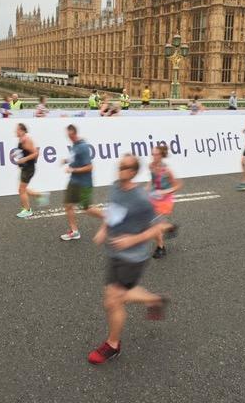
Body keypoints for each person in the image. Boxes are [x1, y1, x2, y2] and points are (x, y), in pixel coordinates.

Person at [85, 154, 175, 365]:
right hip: (114, 251)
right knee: (117, 296)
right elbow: (114, 213)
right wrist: (103, 228)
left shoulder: (141, 199)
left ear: (133, 172)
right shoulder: (116, 187)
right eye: (119, 166)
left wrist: (132, 239)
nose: (120, 170)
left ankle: (113, 345)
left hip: (133, 257)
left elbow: (159, 226)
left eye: (125, 168)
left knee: (112, 299)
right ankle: (155, 300)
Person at [147, 145, 181, 258]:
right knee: (155, 223)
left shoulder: (167, 171)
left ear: (161, 155)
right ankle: (170, 227)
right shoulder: (151, 166)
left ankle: (160, 248)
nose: (154, 156)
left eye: (156, 154)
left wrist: (165, 192)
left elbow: (177, 185)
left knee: (155, 224)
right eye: (153, 154)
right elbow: (152, 181)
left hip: (165, 200)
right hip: (153, 196)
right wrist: (146, 190)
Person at [61, 124, 93, 241]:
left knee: (86, 208)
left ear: (74, 133)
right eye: (68, 135)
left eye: (70, 135)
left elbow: (90, 167)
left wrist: (73, 169)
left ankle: (109, 219)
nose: (69, 137)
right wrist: (66, 160)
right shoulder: (75, 145)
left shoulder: (83, 147)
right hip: (74, 181)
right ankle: (74, 231)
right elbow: (75, 158)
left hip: (83, 182)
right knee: (68, 205)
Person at [15, 123, 47, 218]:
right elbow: (23, 152)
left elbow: (36, 153)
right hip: (25, 167)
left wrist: (24, 160)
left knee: (21, 189)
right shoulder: (21, 139)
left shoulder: (26, 140)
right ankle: (40, 195)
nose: (15, 131)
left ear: (22, 131)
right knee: (22, 189)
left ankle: (28, 210)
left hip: (29, 168)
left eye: (17, 130)